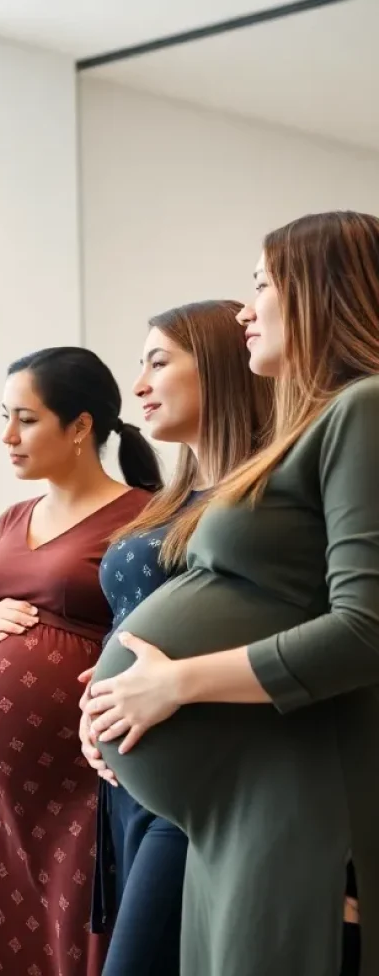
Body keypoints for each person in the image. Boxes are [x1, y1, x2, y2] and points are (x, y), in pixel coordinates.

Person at [84, 210, 379, 976]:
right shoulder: (312, 429)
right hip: (239, 803)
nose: (246, 311)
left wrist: (173, 683)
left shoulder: (365, 408)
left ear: (318, 292)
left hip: (292, 799)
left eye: (262, 285)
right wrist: (117, 693)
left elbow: (365, 630)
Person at [77, 301, 272, 976]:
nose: (139, 386)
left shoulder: (261, 505)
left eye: (158, 363)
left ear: (218, 367)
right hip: (127, 781)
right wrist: (93, 704)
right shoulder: (170, 502)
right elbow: (130, 622)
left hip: (201, 778)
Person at [0, 346, 162, 976]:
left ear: (80, 426)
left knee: (79, 928)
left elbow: (154, 628)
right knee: (13, 930)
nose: (8, 436)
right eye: (5, 417)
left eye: (25, 420)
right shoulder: (11, 520)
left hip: (86, 774)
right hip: (6, 791)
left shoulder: (144, 516)